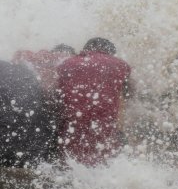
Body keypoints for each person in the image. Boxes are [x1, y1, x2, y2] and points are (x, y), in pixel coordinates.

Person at [55, 37, 133, 166]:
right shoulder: (120, 65)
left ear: (85, 50)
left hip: (69, 143)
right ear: (110, 54)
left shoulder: (66, 64)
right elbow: (126, 97)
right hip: (105, 143)